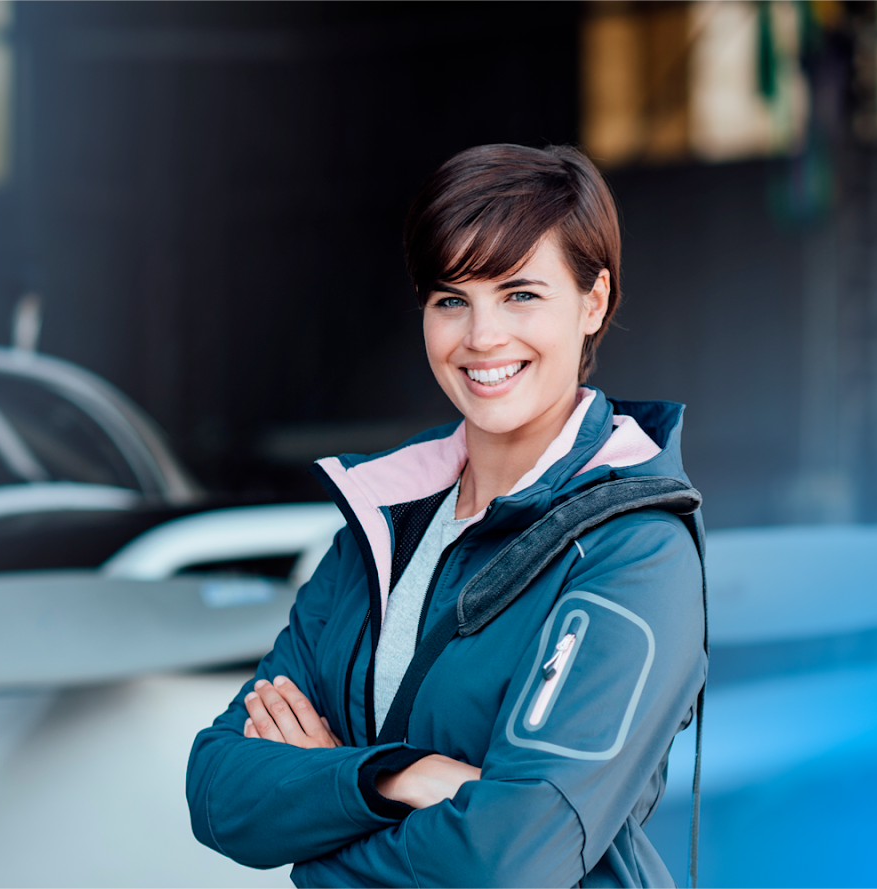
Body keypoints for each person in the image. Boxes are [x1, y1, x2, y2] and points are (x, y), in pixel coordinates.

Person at [186, 143, 707, 889]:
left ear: (593, 302)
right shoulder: (384, 522)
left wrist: (319, 815)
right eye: (451, 299)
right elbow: (218, 787)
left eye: (521, 294)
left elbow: (506, 861)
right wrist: (399, 776)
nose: (482, 337)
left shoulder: (634, 553)